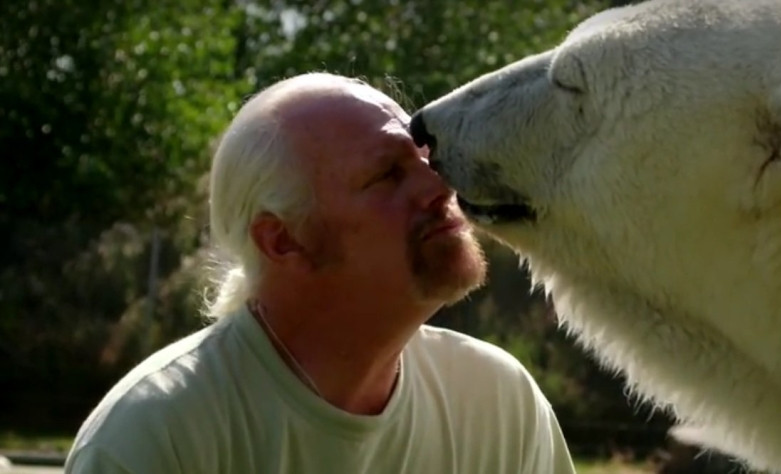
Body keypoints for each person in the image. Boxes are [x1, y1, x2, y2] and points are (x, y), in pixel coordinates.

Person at [64, 72, 576, 473]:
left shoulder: (496, 402)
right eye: (387, 175)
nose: (440, 187)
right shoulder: (158, 434)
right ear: (283, 239)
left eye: (428, 160)